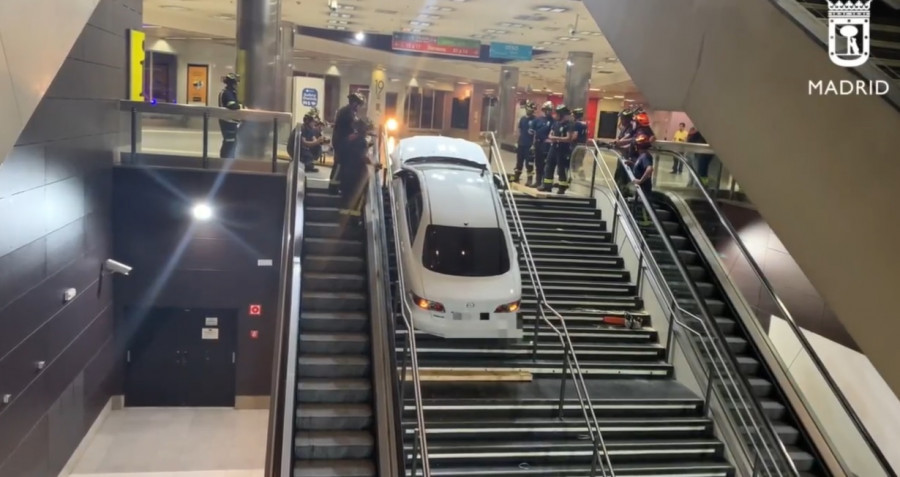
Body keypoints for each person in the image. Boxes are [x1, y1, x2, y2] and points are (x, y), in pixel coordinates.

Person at [330, 92, 366, 194]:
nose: (359, 107)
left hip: (342, 141)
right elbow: (354, 126)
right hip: (342, 143)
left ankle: (338, 186)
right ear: (355, 103)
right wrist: (363, 129)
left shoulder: (347, 111)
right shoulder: (347, 112)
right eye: (359, 105)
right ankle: (333, 187)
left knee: (341, 165)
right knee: (339, 164)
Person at [338, 117, 374, 218]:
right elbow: (363, 157)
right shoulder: (362, 141)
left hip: (345, 172)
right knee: (355, 198)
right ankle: (353, 221)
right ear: (363, 130)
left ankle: (342, 218)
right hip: (356, 175)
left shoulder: (349, 138)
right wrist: (374, 164)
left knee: (345, 197)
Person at [540, 104, 577, 194]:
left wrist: (556, 138)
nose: (555, 115)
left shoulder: (569, 125)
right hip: (553, 147)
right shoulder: (555, 124)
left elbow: (568, 138)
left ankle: (562, 187)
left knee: (561, 168)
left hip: (563, 149)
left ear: (561, 114)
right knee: (549, 165)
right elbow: (550, 135)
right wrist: (556, 138)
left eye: (557, 114)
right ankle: (547, 185)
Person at [527, 101, 555, 188]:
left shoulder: (553, 121)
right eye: (547, 110)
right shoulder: (537, 120)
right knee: (538, 163)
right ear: (544, 110)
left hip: (547, 145)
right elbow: (531, 131)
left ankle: (544, 182)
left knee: (546, 164)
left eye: (550, 110)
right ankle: (538, 181)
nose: (548, 112)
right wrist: (533, 143)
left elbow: (554, 132)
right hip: (538, 144)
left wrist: (550, 139)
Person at [629, 133, 655, 224]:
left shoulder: (645, 156)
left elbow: (649, 169)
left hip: (644, 190)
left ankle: (645, 224)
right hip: (641, 190)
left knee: (643, 209)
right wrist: (632, 164)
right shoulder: (642, 156)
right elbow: (641, 168)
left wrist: (640, 181)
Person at [217, 73, 242, 159]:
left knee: (230, 142)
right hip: (228, 122)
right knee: (230, 142)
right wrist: (242, 107)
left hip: (228, 121)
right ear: (232, 83)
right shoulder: (227, 93)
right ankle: (225, 160)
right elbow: (233, 105)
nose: (237, 85)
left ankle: (225, 159)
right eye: (236, 82)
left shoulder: (227, 92)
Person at [513, 101, 537, 184]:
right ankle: (516, 177)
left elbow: (535, 134)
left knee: (529, 163)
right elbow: (519, 131)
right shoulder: (523, 119)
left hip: (529, 145)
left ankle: (529, 180)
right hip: (521, 143)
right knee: (519, 162)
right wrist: (517, 142)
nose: (530, 111)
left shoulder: (535, 120)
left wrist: (533, 145)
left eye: (532, 110)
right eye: (529, 109)